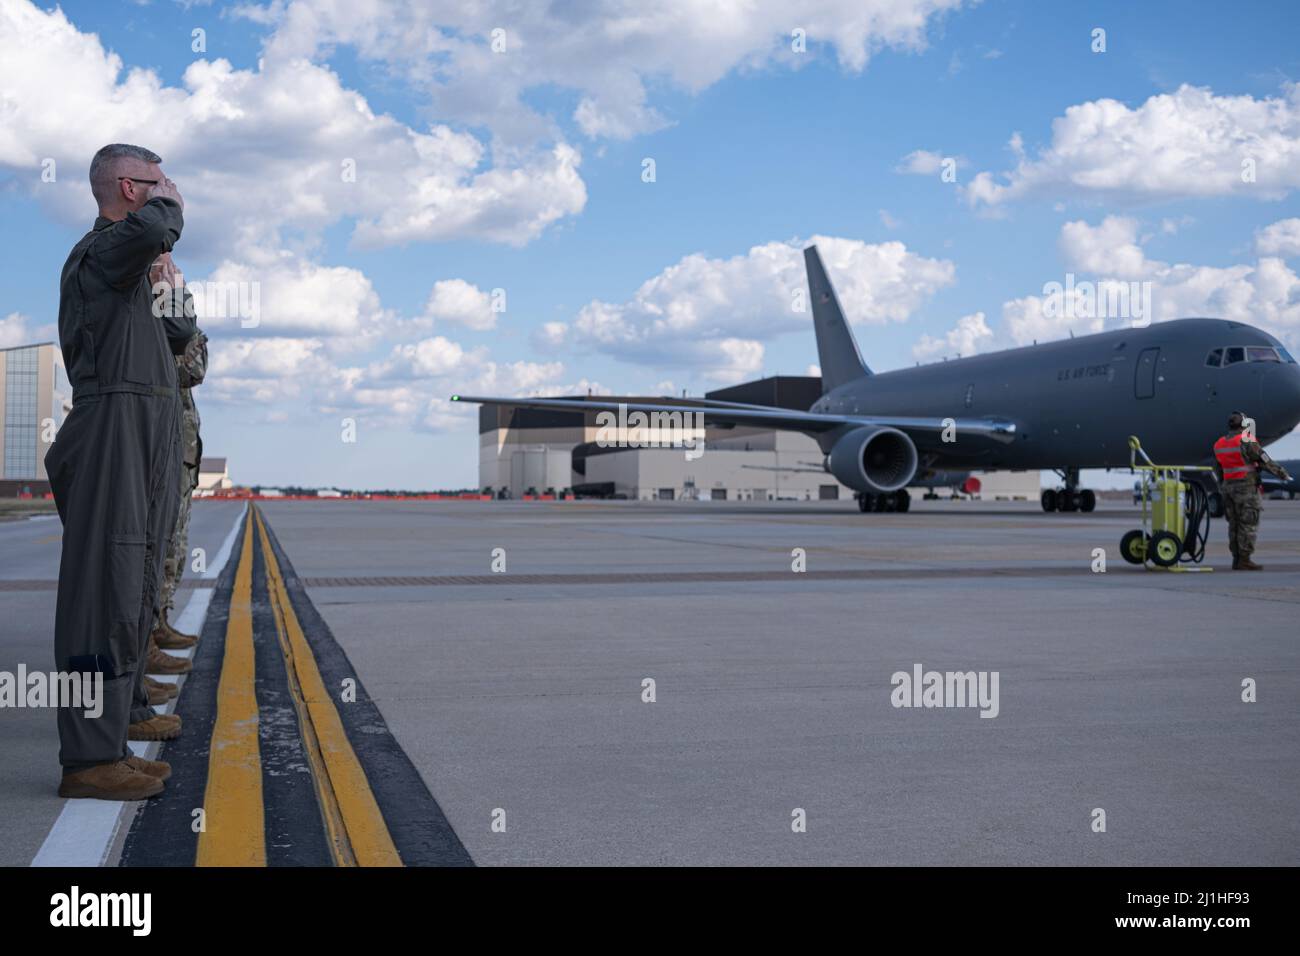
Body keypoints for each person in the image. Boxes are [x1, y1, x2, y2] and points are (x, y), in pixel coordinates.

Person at [44, 144, 194, 800]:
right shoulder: (100, 252)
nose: (170, 190)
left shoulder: (134, 269)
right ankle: (86, 760)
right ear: (130, 190)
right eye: (158, 181)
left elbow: (182, 338)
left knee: (131, 586)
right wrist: (169, 210)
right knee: (99, 595)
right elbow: (161, 223)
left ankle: (113, 738)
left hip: (147, 436)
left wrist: (170, 286)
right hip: (111, 433)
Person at [144, 318, 207, 692]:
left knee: (175, 547)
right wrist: (191, 329)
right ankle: (147, 640)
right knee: (162, 547)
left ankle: (159, 623)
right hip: (164, 448)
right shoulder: (157, 322)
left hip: (180, 451)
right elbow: (192, 370)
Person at [1212, 410, 1292, 570]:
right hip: (1246, 488)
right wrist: (1282, 474)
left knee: (1233, 524)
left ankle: (1236, 559)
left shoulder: (1219, 443)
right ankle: (1245, 559)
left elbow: (1218, 468)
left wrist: (1223, 484)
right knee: (1248, 523)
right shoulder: (1246, 440)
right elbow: (1264, 460)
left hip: (1228, 488)